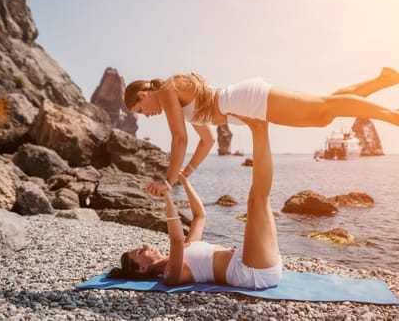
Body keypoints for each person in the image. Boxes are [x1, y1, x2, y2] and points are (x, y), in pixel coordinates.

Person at [124, 67, 399, 196]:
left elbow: (180, 139)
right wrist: (185, 173)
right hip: (244, 107)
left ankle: (398, 115)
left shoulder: (166, 89)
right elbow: (205, 141)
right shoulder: (177, 100)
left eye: (140, 111)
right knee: (324, 114)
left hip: (246, 100)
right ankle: (382, 80)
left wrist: (167, 179)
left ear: (141, 95)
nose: (147, 116)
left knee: (325, 107)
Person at [108, 119, 282, 289]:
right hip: (251, 272)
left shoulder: (185, 248)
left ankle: (260, 126)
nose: (145, 246)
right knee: (257, 199)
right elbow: (176, 240)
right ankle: (259, 126)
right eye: (140, 252)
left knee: (257, 198)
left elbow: (200, 216)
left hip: (252, 260)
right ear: (142, 269)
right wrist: (167, 195)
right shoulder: (171, 274)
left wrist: (185, 182)